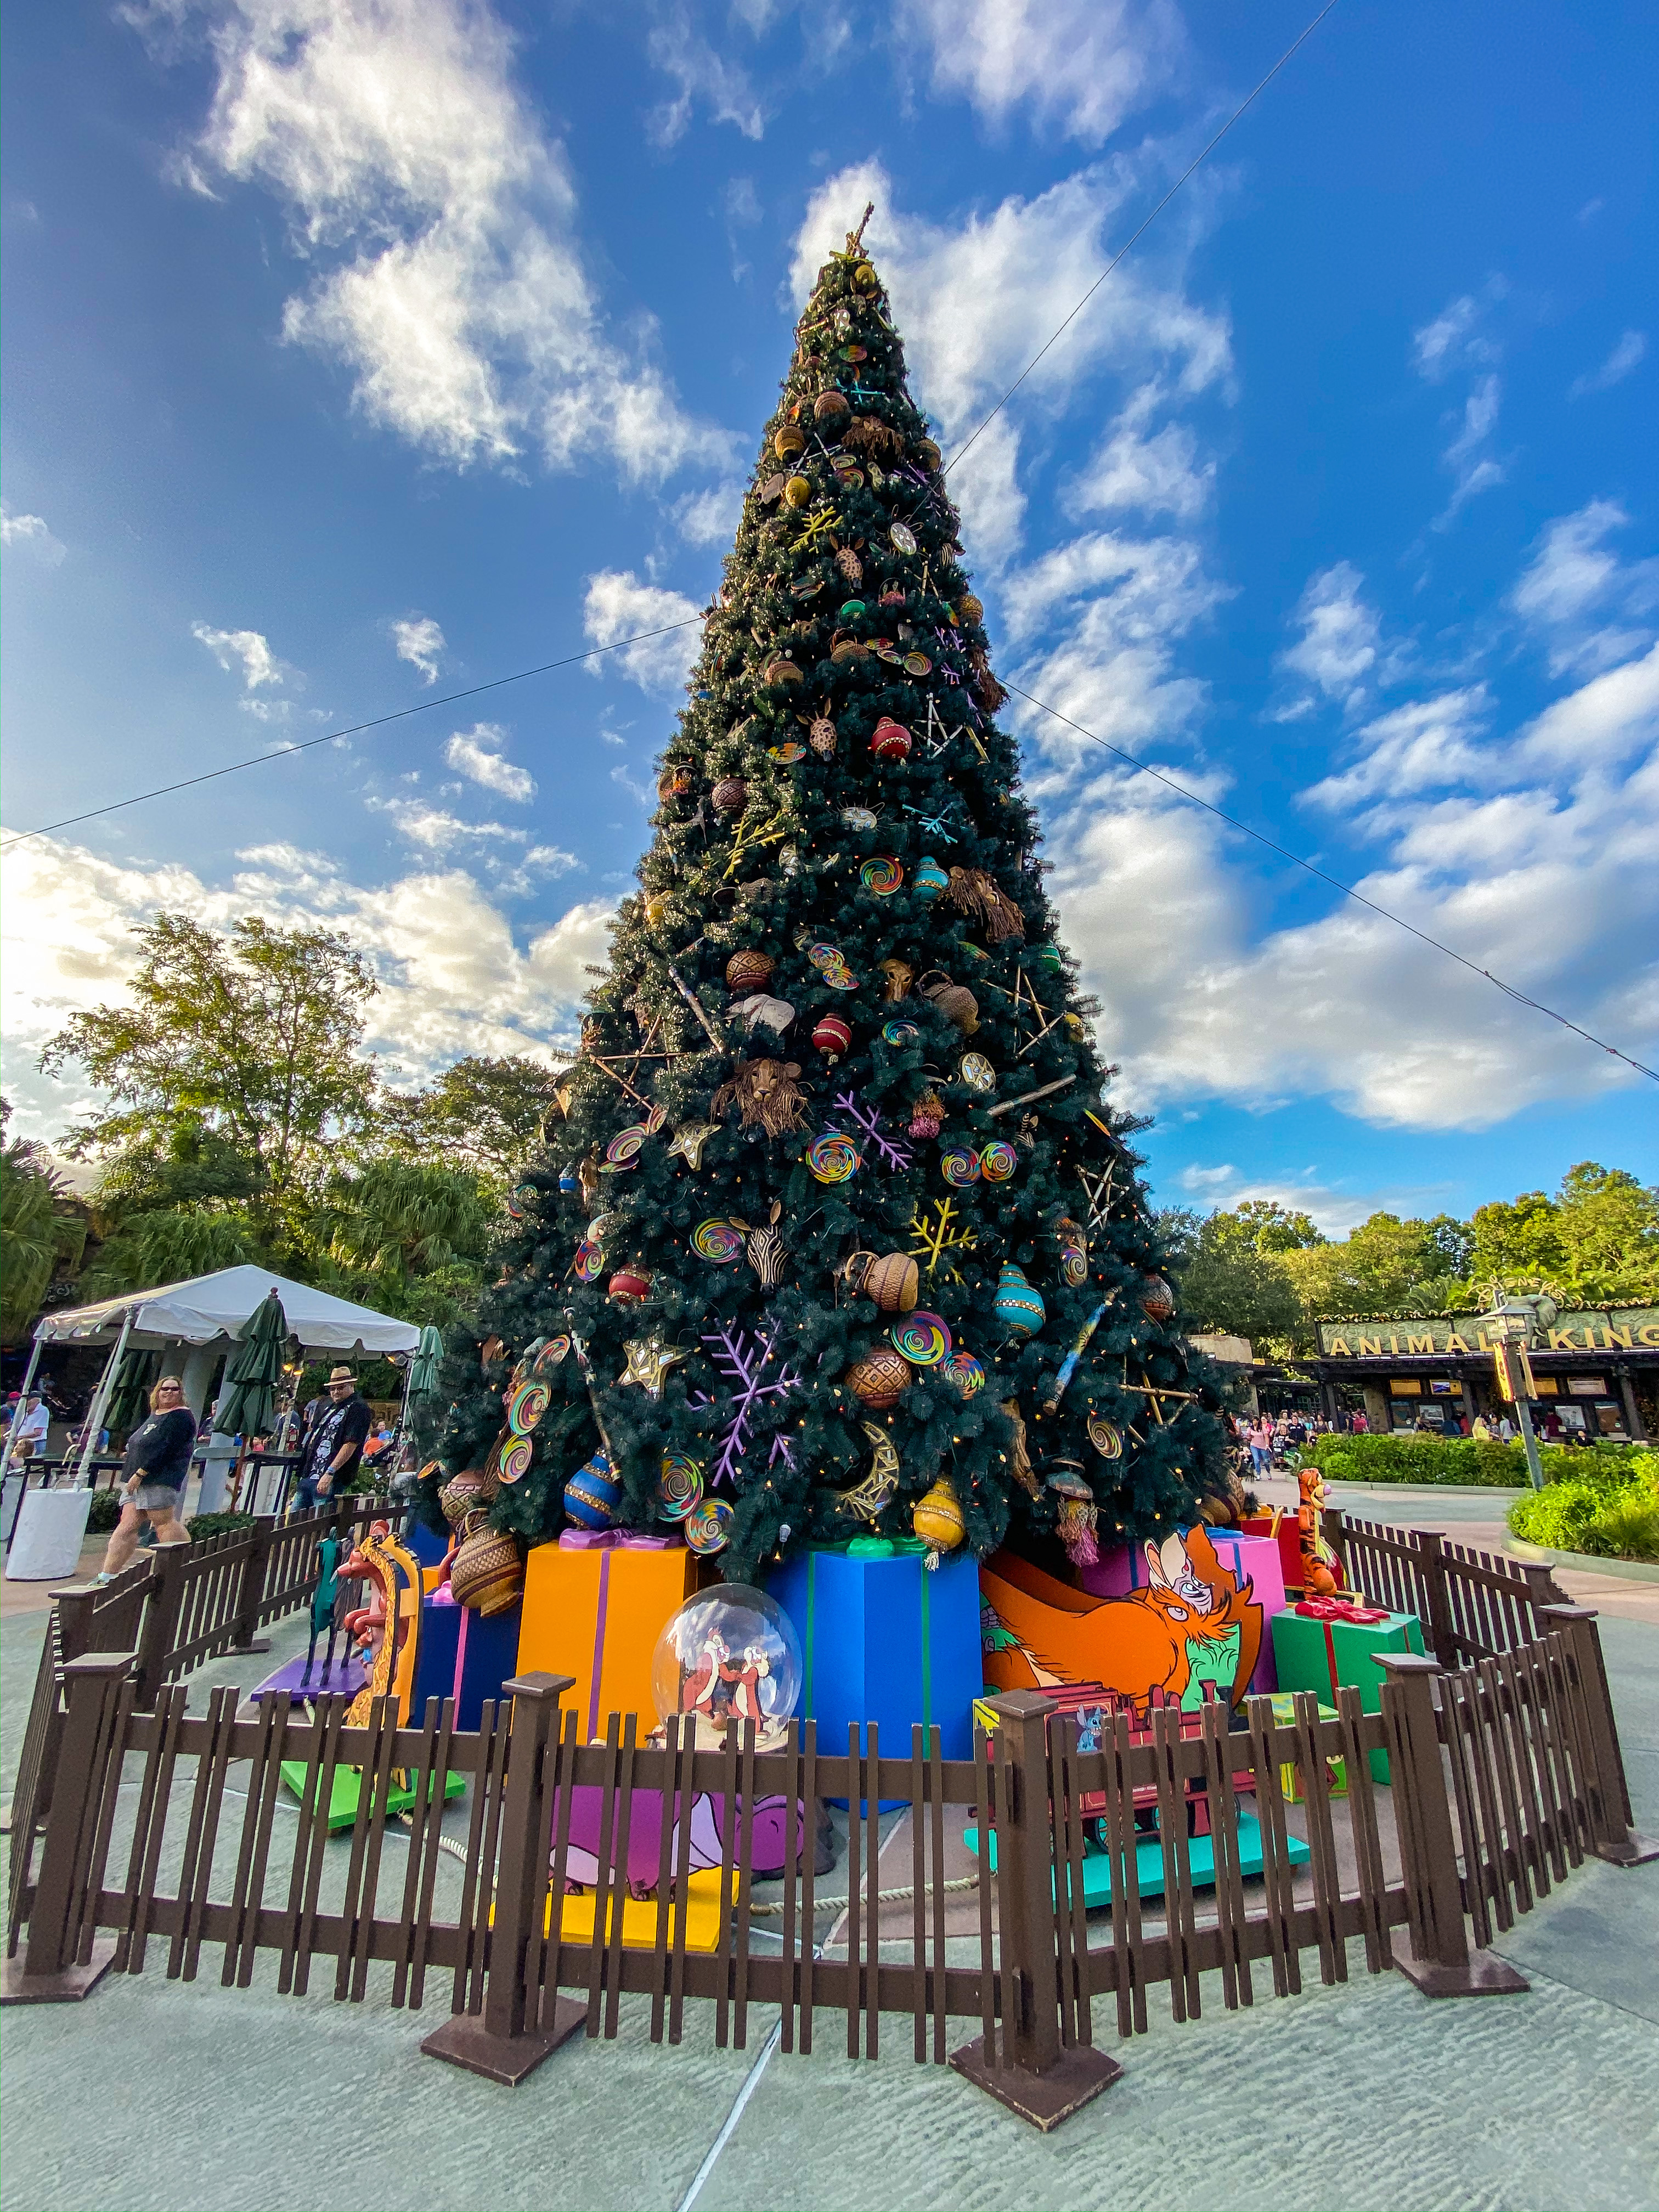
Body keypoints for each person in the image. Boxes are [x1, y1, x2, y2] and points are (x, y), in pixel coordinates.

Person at [93, 1376, 195, 1582]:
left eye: (174, 1389)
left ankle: (182, 1567)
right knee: (127, 1525)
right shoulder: (155, 1415)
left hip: (158, 1477)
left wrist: (141, 1473)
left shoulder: (182, 1417)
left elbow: (167, 1449)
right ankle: (107, 1575)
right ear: (157, 1392)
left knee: (163, 1522)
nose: (169, 1392)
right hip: (135, 1479)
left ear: (181, 1393)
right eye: (164, 1389)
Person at [290, 1367, 371, 1514]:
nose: (336, 1392)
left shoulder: (358, 1408)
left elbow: (351, 1443)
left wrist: (330, 1473)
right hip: (310, 1475)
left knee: (320, 1524)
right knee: (293, 1521)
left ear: (351, 1386)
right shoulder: (331, 1406)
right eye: (333, 1389)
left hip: (330, 1477)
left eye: (341, 1388)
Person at [13, 1393, 49, 1460]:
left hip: (35, 1444)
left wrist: (20, 1437)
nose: (27, 1402)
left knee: (32, 1465)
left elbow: (38, 1433)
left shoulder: (43, 1411)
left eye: (29, 1399)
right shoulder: (25, 1411)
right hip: (21, 1444)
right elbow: (19, 1426)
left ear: (36, 1400)